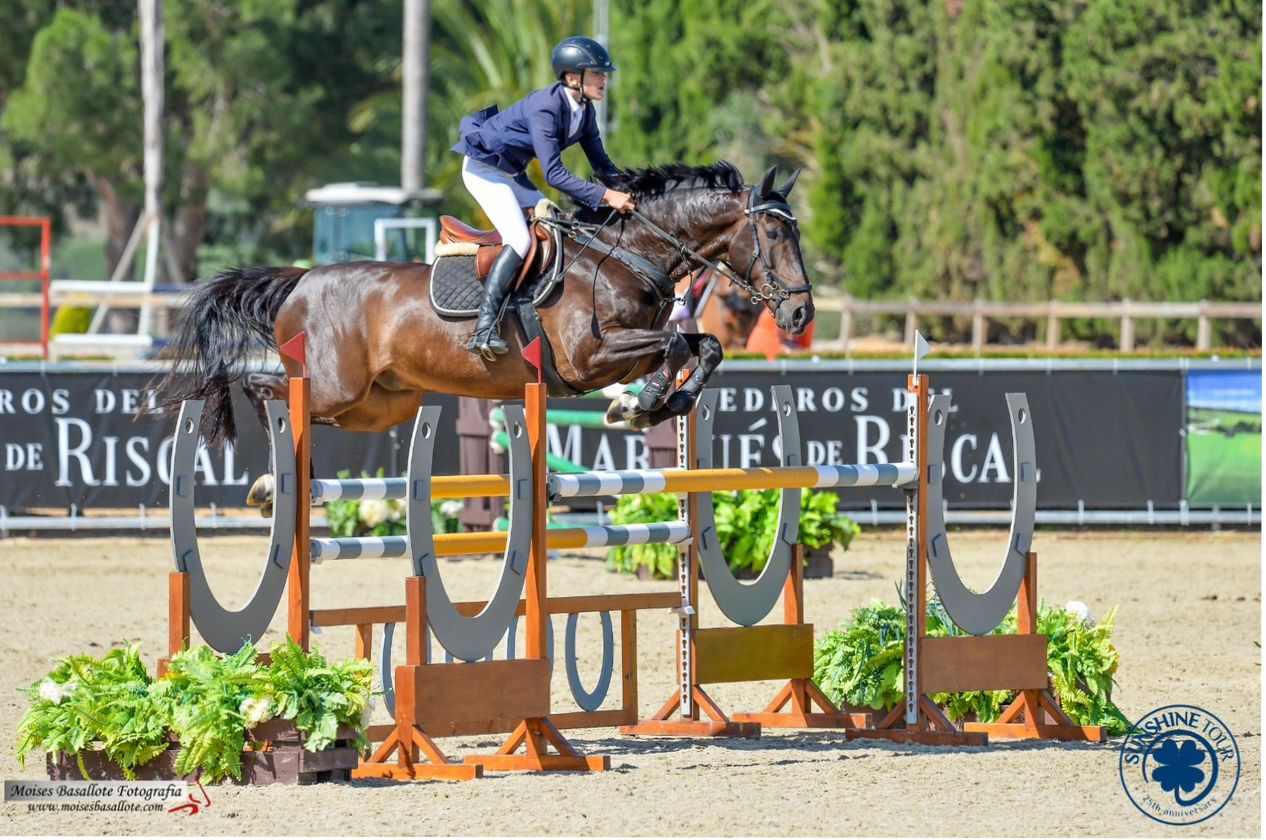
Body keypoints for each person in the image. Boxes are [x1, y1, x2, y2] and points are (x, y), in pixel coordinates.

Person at [451, 35, 637, 358]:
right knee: (520, 240)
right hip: (484, 170)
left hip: (512, 173)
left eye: (603, 73)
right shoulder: (546, 107)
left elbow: (602, 165)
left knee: (556, 227)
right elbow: (553, 175)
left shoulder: (584, 111)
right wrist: (607, 195)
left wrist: (631, 191)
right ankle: (483, 328)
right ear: (571, 77)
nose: (604, 78)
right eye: (596, 72)